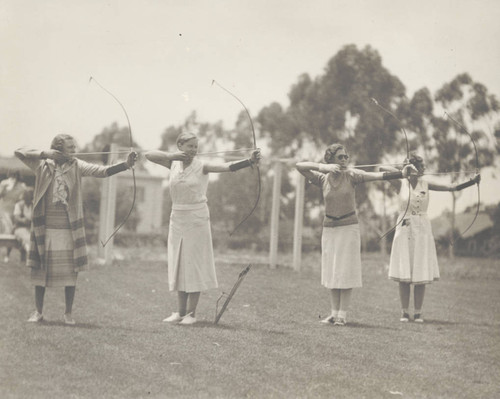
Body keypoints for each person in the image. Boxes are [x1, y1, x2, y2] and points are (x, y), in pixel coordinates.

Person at [15, 134, 137, 325]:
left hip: (68, 227)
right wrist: (44, 153)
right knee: (40, 271)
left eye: (74, 147)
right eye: (70, 148)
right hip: (44, 227)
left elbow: (102, 171)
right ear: (58, 149)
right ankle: (38, 312)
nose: (74, 150)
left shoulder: (77, 165)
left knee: (71, 272)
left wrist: (125, 164)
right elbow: (19, 152)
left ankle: (68, 314)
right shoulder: (43, 164)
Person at [145, 132, 261, 325]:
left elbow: (227, 167)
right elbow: (149, 155)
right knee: (179, 263)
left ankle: (191, 313)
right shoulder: (172, 163)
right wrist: (171, 156)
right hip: (177, 217)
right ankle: (180, 312)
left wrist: (249, 161)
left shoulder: (202, 165)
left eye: (195, 147)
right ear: (180, 146)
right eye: (190, 146)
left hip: (197, 218)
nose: (193, 150)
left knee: (193, 263)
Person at [296, 144, 416, 326]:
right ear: (331, 160)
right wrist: (324, 168)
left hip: (348, 227)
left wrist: (402, 173)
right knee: (332, 270)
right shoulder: (323, 178)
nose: (344, 160)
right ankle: (334, 313)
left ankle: (342, 315)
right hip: (329, 228)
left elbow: (378, 176)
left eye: (346, 157)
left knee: (345, 269)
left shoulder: (352, 175)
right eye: (340, 157)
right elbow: (299, 166)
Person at [381, 153, 480, 323]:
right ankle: (405, 312)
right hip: (404, 227)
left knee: (420, 270)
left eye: (422, 168)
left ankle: (418, 312)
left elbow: (452, 187)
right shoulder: (400, 183)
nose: (422, 170)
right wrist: (403, 170)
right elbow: (382, 169)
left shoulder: (425, 184)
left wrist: (472, 181)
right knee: (404, 271)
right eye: (419, 167)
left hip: (422, 228)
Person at [0, 171, 27, 262]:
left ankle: (18, 254)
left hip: (15, 212)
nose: (12, 178)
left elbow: (24, 198)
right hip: (4, 211)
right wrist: (4, 188)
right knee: (8, 231)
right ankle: (7, 256)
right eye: (11, 176)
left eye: (14, 176)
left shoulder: (22, 186)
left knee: (13, 233)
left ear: (18, 177)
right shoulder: (4, 183)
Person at [13, 187, 34, 258]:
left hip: (31, 227)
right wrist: (23, 220)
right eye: (27, 196)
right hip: (20, 227)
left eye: (30, 196)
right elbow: (16, 218)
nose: (29, 198)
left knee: (33, 237)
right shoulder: (19, 205)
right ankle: (29, 253)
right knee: (26, 237)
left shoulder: (34, 205)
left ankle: (29, 253)